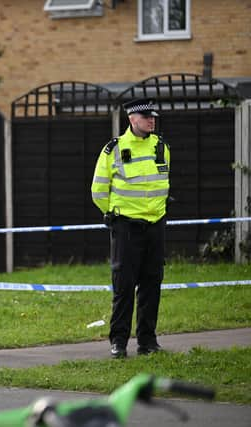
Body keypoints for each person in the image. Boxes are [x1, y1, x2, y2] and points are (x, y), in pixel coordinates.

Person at [90, 98, 171, 358]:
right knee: (124, 285)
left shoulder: (161, 146)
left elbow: (162, 183)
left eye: (153, 117)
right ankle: (119, 342)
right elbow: (98, 190)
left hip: (156, 224)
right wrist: (114, 214)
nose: (152, 120)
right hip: (126, 226)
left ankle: (148, 342)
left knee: (152, 283)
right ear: (132, 119)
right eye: (147, 116)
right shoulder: (113, 149)